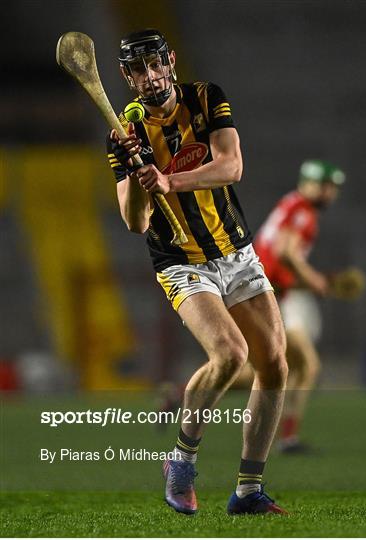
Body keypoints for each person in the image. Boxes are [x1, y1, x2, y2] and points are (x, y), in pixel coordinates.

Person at [106, 29, 288, 515]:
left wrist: (168, 179)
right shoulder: (123, 137)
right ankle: (181, 463)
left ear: (169, 62)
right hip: (181, 262)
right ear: (127, 77)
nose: (150, 76)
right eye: (138, 70)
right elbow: (135, 221)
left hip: (236, 251)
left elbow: (231, 167)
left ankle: (248, 490)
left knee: (274, 365)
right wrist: (140, 176)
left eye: (155, 64)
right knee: (230, 354)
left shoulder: (206, 98)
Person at [253, 160, 346, 452]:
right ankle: (287, 439)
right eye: (327, 186)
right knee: (306, 364)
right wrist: (317, 281)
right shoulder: (304, 212)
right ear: (311, 185)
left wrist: (316, 281)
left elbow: (280, 263)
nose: (331, 193)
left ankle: (180, 396)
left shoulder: (291, 204)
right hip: (266, 296)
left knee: (267, 368)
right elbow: (286, 253)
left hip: (264, 292)